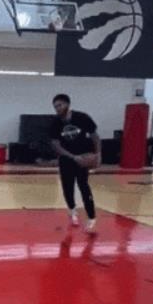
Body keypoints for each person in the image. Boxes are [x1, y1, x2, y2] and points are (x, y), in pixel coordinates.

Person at [49, 94, 101, 233]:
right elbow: (55, 144)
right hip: (67, 159)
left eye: (59, 105)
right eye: (55, 106)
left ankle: (91, 217)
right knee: (67, 187)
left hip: (83, 157)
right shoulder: (55, 122)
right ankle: (72, 211)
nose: (57, 108)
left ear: (67, 104)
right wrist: (72, 157)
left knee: (83, 185)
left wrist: (98, 154)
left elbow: (95, 136)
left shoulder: (82, 117)